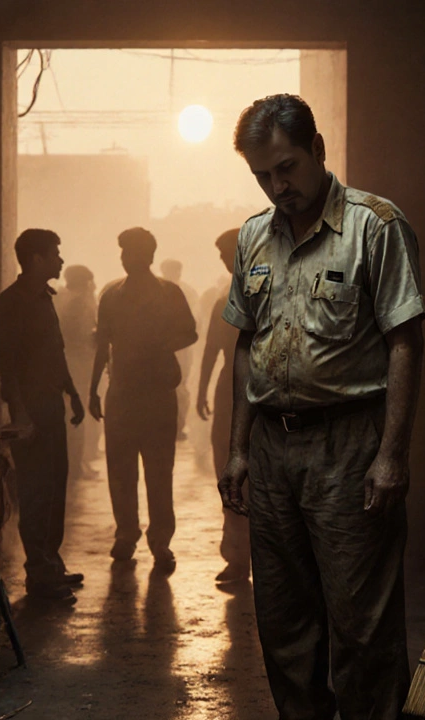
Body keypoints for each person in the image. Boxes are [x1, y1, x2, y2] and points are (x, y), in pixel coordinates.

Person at [218, 94, 425, 719]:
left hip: (349, 447)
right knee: (284, 627)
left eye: (286, 168)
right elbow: (245, 346)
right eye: (262, 175)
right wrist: (237, 449)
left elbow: (405, 343)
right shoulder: (254, 237)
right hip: (272, 452)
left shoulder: (376, 226)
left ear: (318, 150)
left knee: (361, 628)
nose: (277, 186)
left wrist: (391, 456)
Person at [89, 228, 198, 573]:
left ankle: (160, 540)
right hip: (121, 394)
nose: (124, 258)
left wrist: (161, 344)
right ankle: (126, 534)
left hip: (157, 395)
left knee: (158, 472)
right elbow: (102, 345)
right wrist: (94, 388)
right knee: (120, 471)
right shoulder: (111, 296)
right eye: (122, 252)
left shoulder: (170, 294)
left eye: (130, 252)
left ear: (148, 256)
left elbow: (190, 332)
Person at [0, 229, 86, 605]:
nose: (60, 261)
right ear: (35, 259)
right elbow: (9, 365)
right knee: (35, 491)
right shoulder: (13, 302)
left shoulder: (45, 299)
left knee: (54, 487)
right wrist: (21, 416)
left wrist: (73, 393)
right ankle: (40, 576)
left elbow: (57, 352)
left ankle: (51, 563)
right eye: (55, 254)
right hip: (32, 410)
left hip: (51, 405)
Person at [195, 229, 249, 585]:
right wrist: (201, 390)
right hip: (230, 395)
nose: (221, 260)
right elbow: (212, 350)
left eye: (226, 253)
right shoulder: (221, 302)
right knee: (229, 478)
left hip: (256, 398)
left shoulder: (264, 297)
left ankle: (250, 558)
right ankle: (236, 558)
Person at [55, 264, 100, 480]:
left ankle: (77, 463)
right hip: (78, 364)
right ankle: (77, 465)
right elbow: (82, 335)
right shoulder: (78, 302)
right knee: (77, 414)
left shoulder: (60, 297)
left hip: (67, 362)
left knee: (71, 414)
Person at [160, 259, 199, 443]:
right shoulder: (158, 289)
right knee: (173, 387)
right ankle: (172, 425)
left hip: (180, 348)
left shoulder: (187, 291)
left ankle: (178, 425)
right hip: (168, 347)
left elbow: (194, 325)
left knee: (180, 387)